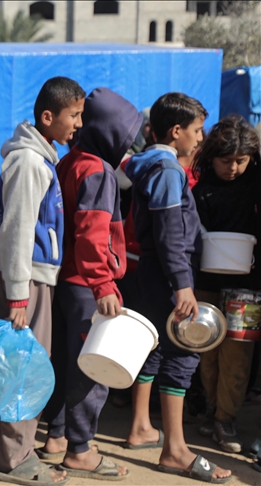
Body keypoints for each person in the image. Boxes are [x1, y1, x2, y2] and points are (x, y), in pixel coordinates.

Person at [122, 92, 232, 483]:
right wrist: (183, 285)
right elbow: (170, 233)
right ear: (176, 131)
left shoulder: (150, 165)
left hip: (152, 271)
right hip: (169, 274)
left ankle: (140, 427)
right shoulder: (168, 170)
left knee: (155, 348)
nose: (201, 139)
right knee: (183, 353)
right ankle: (175, 449)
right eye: (197, 131)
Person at [0, 76, 86, 486]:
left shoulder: (38, 157)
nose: (78, 124)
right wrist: (21, 293)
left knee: (11, 362)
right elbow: (18, 230)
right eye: (73, 115)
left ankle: (1, 444)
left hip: (27, 279)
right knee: (24, 367)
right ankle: (17, 457)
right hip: (27, 281)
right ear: (48, 117)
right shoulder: (28, 162)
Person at [38, 87, 142, 481]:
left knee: (65, 362)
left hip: (65, 280)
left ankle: (59, 436)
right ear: (110, 132)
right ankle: (81, 450)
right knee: (90, 370)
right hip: (87, 284)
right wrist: (103, 285)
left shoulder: (71, 162)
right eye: (126, 134)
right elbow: (92, 233)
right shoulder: (98, 170)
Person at [192, 116, 260, 453]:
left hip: (248, 286)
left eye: (241, 161)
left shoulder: (257, 182)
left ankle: (225, 418)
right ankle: (209, 409)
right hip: (205, 283)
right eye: (225, 161)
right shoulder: (199, 187)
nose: (232, 168)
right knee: (207, 350)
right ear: (210, 157)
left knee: (237, 354)